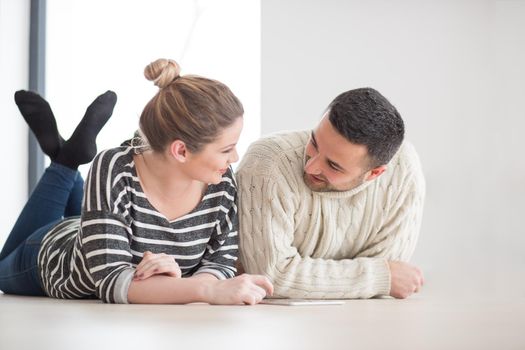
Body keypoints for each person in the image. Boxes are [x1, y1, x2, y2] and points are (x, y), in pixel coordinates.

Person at [0, 58, 273, 304]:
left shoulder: (221, 181)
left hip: (100, 229)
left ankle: (66, 155)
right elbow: (111, 281)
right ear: (180, 150)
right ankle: (66, 163)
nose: (235, 157)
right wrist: (205, 290)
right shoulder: (114, 167)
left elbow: (220, 263)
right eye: (226, 149)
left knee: (94, 223)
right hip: (55, 256)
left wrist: (177, 284)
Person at [236, 87, 425, 299]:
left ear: (375, 173)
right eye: (314, 143)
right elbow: (271, 276)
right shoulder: (269, 162)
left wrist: (308, 277)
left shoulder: (403, 171)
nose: (310, 167)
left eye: (333, 166)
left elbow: (387, 263)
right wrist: (379, 277)